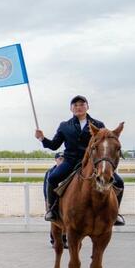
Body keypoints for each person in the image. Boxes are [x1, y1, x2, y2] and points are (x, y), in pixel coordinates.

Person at [35, 95, 124, 225]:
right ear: (71, 109)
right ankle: (52, 210)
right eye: (75, 105)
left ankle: (115, 214)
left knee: (119, 182)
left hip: (92, 162)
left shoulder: (99, 124)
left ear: (87, 107)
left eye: (82, 104)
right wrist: (42, 138)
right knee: (52, 178)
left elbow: (104, 144)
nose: (79, 107)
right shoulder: (64, 126)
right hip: (70, 161)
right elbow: (54, 145)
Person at [45, 152, 68, 249]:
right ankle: (53, 239)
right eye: (60, 159)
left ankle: (63, 239)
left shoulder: (67, 171)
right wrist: (47, 199)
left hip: (64, 198)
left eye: (63, 159)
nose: (62, 161)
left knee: (64, 219)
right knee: (54, 218)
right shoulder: (51, 172)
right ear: (56, 159)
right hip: (53, 198)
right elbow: (46, 187)